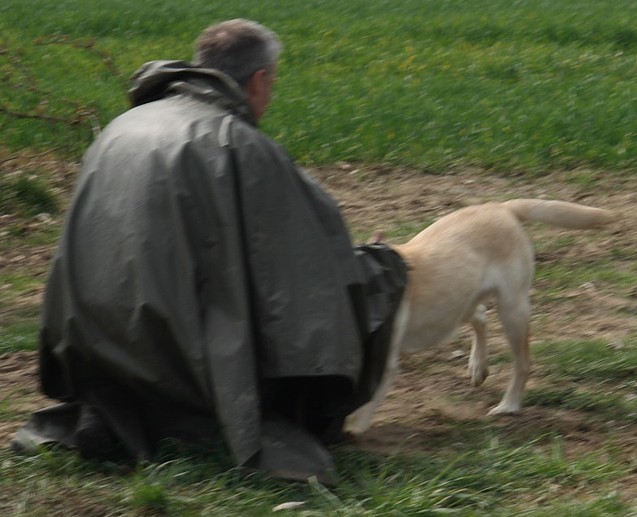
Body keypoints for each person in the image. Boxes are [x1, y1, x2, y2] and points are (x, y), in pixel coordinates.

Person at [11, 19, 407, 484]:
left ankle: (120, 409)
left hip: (97, 342)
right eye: (273, 84)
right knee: (368, 281)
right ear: (260, 80)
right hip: (180, 353)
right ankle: (204, 416)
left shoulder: (124, 125)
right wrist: (380, 265)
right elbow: (310, 265)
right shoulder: (239, 144)